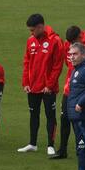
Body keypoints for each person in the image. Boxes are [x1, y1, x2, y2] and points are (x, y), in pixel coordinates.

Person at [18, 13, 64, 155]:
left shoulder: (55, 41)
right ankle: (33, 143)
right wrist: (25, 82)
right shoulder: (30, 41)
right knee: (33, 115)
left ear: (40, 27)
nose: (31, 33)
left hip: (47, 89)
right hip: (32, 87)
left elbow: (57, 66)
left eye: (32, 30)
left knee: (50, 115)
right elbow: (27, 62)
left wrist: (49, 85)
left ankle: (50, 145)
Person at [53, 26, 85, 160]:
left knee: (82, 122)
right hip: (69, 89)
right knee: (64, 118)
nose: (70, 46)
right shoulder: (69, 44)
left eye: (73, 42)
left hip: (83, 92)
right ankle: (62, 150)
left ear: (79, 37)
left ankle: (84, 150)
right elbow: (69, 64)